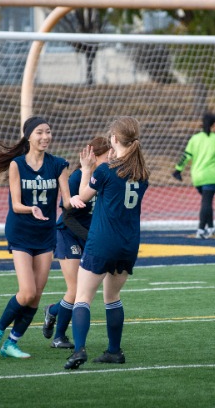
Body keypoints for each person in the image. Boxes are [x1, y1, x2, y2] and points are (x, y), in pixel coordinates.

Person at [63, 116, 150, 370]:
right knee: (112, 297)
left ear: (114, 139)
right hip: (128, 244)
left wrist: (86, 169)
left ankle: (79, 350)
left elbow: (81, 197)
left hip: (102, 241)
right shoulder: (142, 173)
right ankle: (114, 351)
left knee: (83, 297)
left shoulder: (105, 171)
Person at [0, 116, 71, 359]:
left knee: (37, 295)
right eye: (40, 132)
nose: (45, 136)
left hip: (45, 234)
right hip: (21, 231)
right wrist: (31, 209)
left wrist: (81, 193)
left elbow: (66, 201)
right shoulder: (17, 165)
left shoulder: (59, 164)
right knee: (27, 292)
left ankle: (12, 343)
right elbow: (16, 204)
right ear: (29, 136)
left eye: (48, 131)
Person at [43, 136, 112, 349]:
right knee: (75, 289)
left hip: (88, 236)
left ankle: (53, 311)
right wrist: (90, 236)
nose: (110, 160)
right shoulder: (77, 178)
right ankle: (59, 337)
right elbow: (68, 217)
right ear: (93, 157)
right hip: (68, 234)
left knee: (82, 291)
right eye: (107, 157)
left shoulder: (105, 176)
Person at [172, 112, 215, 239]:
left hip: (197, 176)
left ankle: (211, 229)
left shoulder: (195, 138)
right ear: (212, 125)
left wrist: (178, 170)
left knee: (208, 202)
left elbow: (186, 156)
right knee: (206, 203)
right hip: (210, 176)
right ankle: (200, 230)